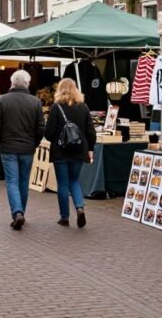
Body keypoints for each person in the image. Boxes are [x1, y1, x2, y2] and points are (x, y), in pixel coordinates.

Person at [0, 69, 44, 230]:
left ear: (12, 83)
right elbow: (41, 127)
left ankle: (17, 212)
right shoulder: (35, 102)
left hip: (8, 147)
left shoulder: (3, 100)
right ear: (27, 83)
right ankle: (21, 212)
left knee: (12, 181)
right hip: (27, 147)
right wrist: (34, 143)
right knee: (23, 182)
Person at [44, 79, 97, 228]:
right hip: (79, 151)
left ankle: (64, 217)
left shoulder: (56, 107)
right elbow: (91, 132)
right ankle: (79, 207)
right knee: (74, 180)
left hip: (61, 152)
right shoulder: (84, 107)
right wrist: (90, 148)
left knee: (63, 184)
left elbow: (48, 133)